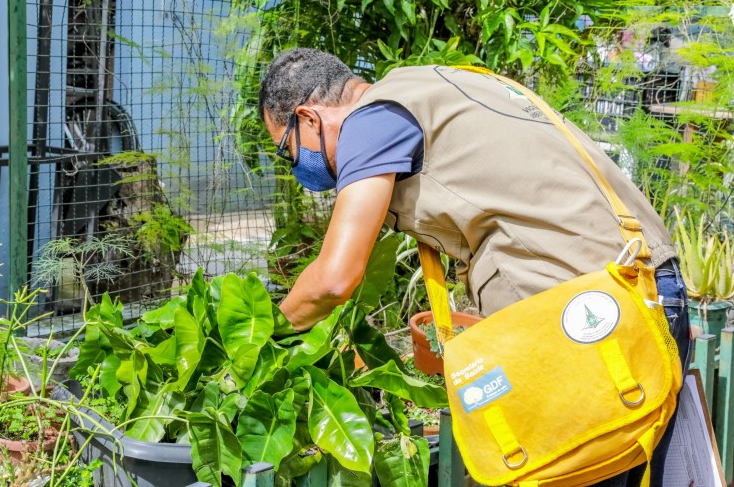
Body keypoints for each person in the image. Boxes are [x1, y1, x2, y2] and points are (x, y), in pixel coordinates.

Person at [259, 47, 691, 485]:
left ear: (308, 119)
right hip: (642, 287)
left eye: (287, 151)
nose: (298, 167)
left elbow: (333, 279)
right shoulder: (436, 83)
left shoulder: (369, 122)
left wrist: (265, 338)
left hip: (587, 321)